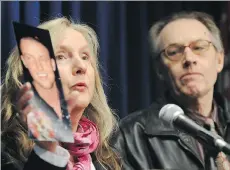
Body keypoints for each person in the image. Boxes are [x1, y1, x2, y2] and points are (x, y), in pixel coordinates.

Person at [113, 11, 230, 170]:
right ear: (159, 69)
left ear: (220, 60)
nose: (189, 59)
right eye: (174, 52)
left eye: (199, 47)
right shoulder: (131, 136)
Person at [1, 17, 121, 170]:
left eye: (85, 57)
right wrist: (47, 151)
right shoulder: (6, 154)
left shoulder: (108, 159)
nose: (81, 66)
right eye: (61, 56)